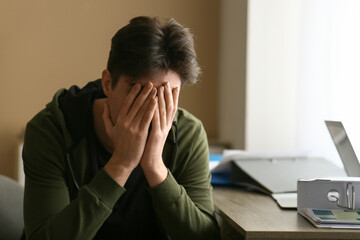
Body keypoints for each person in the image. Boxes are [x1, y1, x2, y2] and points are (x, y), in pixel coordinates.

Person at [22, 16, 220, 240]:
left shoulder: (188, 134)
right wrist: (121, 164)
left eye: (166, 96)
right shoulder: (51, 130)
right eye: (139, 93)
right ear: (107, 83)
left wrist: (155, 167)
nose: (151, 110)